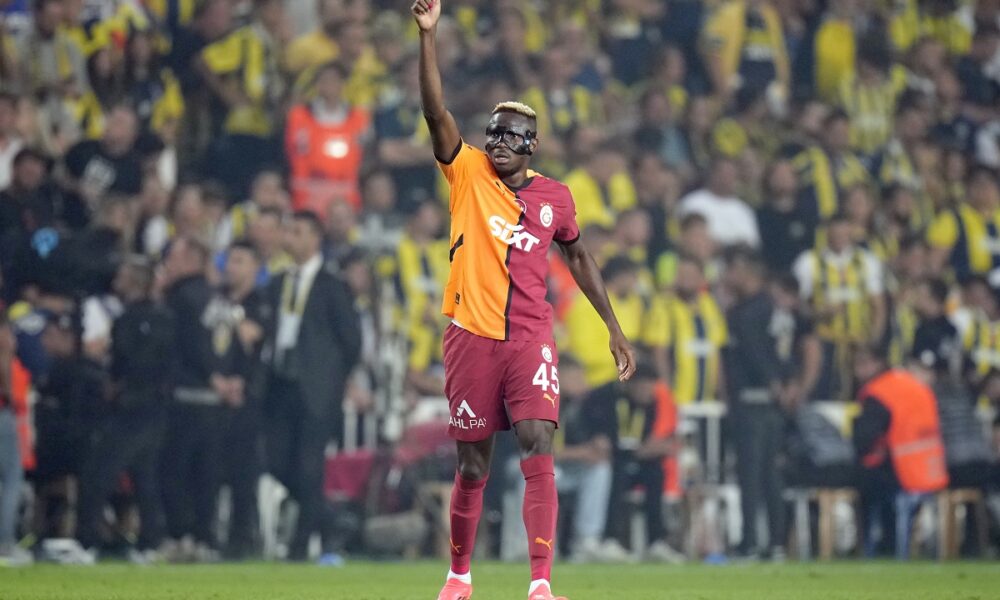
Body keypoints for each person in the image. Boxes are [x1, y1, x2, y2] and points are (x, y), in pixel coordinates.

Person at [411, 2, 636, 599]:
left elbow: (579, 257)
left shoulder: (556, 199)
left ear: (532, 144)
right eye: (493, 133)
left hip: (531, 337)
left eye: (511, 135)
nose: (498, 142)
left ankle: (540, 586)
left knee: (539, 445)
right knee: (473, 466)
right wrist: (428, 38)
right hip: (469, 335)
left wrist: (612, 327)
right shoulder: (466, 172)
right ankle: (459, 576)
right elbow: (435, 110)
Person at [262, 210, 360, 561]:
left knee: (308, 466)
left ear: (314, 239)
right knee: (273, 460)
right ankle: (330, 519)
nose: (289, 237)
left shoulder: (333, 286)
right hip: (279, 384)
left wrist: (332, 379)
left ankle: (301, 546)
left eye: (297, 231)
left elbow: (352, 342)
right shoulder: (276, 283)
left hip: (317, 390)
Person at [76, 257, 174, 562]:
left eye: (123, 276)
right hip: (157, 409)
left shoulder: (127, 319)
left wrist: (115, 386)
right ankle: (151, 543)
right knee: (145, 479)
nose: (116, 281)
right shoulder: (167, 318)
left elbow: (124, 363)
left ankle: (86, 542)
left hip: (129, 408)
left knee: (97, 474)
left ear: (135, 283)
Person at [159, 236, 231, 560]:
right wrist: (226, 378)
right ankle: (204, 537)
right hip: (216, 400)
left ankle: (179, 535)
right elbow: (222, 342)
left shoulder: (180, 297)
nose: (168, 265)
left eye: (174, 258)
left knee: (173, 471)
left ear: (191, 259)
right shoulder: (218, 299)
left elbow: (189, 343)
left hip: (185, 395)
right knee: (208, 475)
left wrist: (210, 374)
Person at [851, 344, 949, 558]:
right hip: (933, 470)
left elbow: (863, 439)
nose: (858, 371)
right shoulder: (915, 385)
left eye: (863, 364)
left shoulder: (879, 392)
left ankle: (871, 547)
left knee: (863, 482)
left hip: (903, 472)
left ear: (879, 363)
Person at [722, 246, 788, 560]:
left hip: (752, 402)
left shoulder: (746, 313)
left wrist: (774, 382)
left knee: (752, 474)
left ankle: (750, 542)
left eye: (731, 269)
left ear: (746, 270)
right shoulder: (771, 306)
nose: (726, 276)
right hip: (770, 403)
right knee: (770, 474)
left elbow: (756, 354)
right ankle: (775, 541)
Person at [599, 363, 681, 563]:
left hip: (637, 459)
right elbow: (604, 441)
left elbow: (653, 441)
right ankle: (610, 540)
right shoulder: (607, 399)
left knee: (656, 472)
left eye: (652, 387)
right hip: (613, 461)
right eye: (644, 387)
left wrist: (656, 448)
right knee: (616, 473)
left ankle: (657, 542)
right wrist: (641, 450)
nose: (649, 392)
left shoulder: (651, 404)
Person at [0, 312, 32, 566]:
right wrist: (9, 396)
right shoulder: (2, 336)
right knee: (11, 478)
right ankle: (5, 543)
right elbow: (4, 366)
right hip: (1, 412)